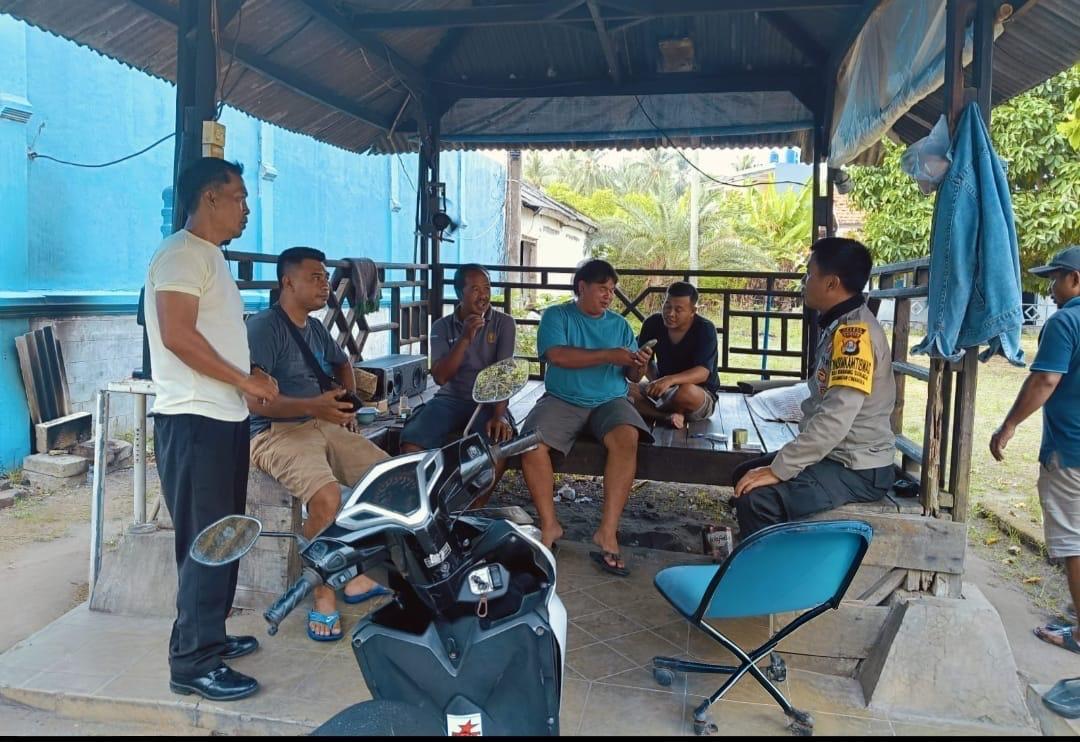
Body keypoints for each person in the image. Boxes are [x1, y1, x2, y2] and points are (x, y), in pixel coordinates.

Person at [145, 157, 279, 701]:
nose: (247, 208)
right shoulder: (180, 253)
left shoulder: (210, 256)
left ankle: (211, 636)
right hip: (193, 420)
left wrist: (249, 374)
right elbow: (177, 335)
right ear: (210, 198)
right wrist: (243, 380)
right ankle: (192, 663)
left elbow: (215, 335)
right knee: (205, 543)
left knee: (224, 536)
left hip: (223, 417)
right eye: (240, 197)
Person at [246, 247, 392, 642]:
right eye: (315, 277)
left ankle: (353, 576)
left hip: (319, 422)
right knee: (326, 498)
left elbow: (342, 362)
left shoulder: (314, 327)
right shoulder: (263, 328)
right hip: (274, 432)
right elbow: (255, 402)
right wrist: (317, 406)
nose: (324, 284)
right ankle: (323, 594)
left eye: (325, 277)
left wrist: (344, 402)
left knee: (386, 477)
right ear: (287, 282)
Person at [731, 237, 896, 536]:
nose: (804, 282)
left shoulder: (854, 336)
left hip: (858, 468)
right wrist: (780, 466)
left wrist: (779, 469)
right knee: (744, 474)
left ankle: (773, 565)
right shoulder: (840, 324)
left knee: (757, 501)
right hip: (837, 455)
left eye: (809, 274)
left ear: (831, 283)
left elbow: (835, 419)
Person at [519, 259, 653, 576]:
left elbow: (632, 377)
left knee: (627, 437)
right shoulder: (557, 316)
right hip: (563, 399)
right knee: (530, 445)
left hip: (610, 399)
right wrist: (609, 354)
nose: (609, 296)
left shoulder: (620, 325)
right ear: (582, 287)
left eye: (612, 290)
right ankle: (550, 525)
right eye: (602, 289)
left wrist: (639, 365)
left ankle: (607, 531)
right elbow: (557, 355)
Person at [991, 246, 1080, 654]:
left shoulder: (1066, 321)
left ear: (1074, 279)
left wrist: (1009, 425)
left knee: (1073, 542)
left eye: (1055, 279)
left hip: (1071, 450)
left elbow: (1045, 380)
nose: (1050, 289)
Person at [400, 265, 516, 504]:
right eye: (475, 289)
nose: (483, 295)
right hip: (450, 399)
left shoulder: (504, 323)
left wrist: (500, 415)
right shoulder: (441, 326)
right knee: (412, 439)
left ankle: (473, 511)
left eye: (486, 288)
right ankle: (426, 503)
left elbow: (504, 375)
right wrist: (464, 338)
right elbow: (441, 378)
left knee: (498, 442)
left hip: (488, 401)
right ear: (459, 293)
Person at [629, 281, 720, 429]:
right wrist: (655, 380)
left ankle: (654, 409)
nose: (670, 313)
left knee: (685, 392)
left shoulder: (705, 329)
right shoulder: (653, 323)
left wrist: (669, 380)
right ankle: (667, 416)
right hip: (664, 389)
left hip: (698, 393)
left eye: (678, 310)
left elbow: (703, 373)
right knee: (624, 389)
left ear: (693, 311)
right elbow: (646, 361)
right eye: (667, 306)